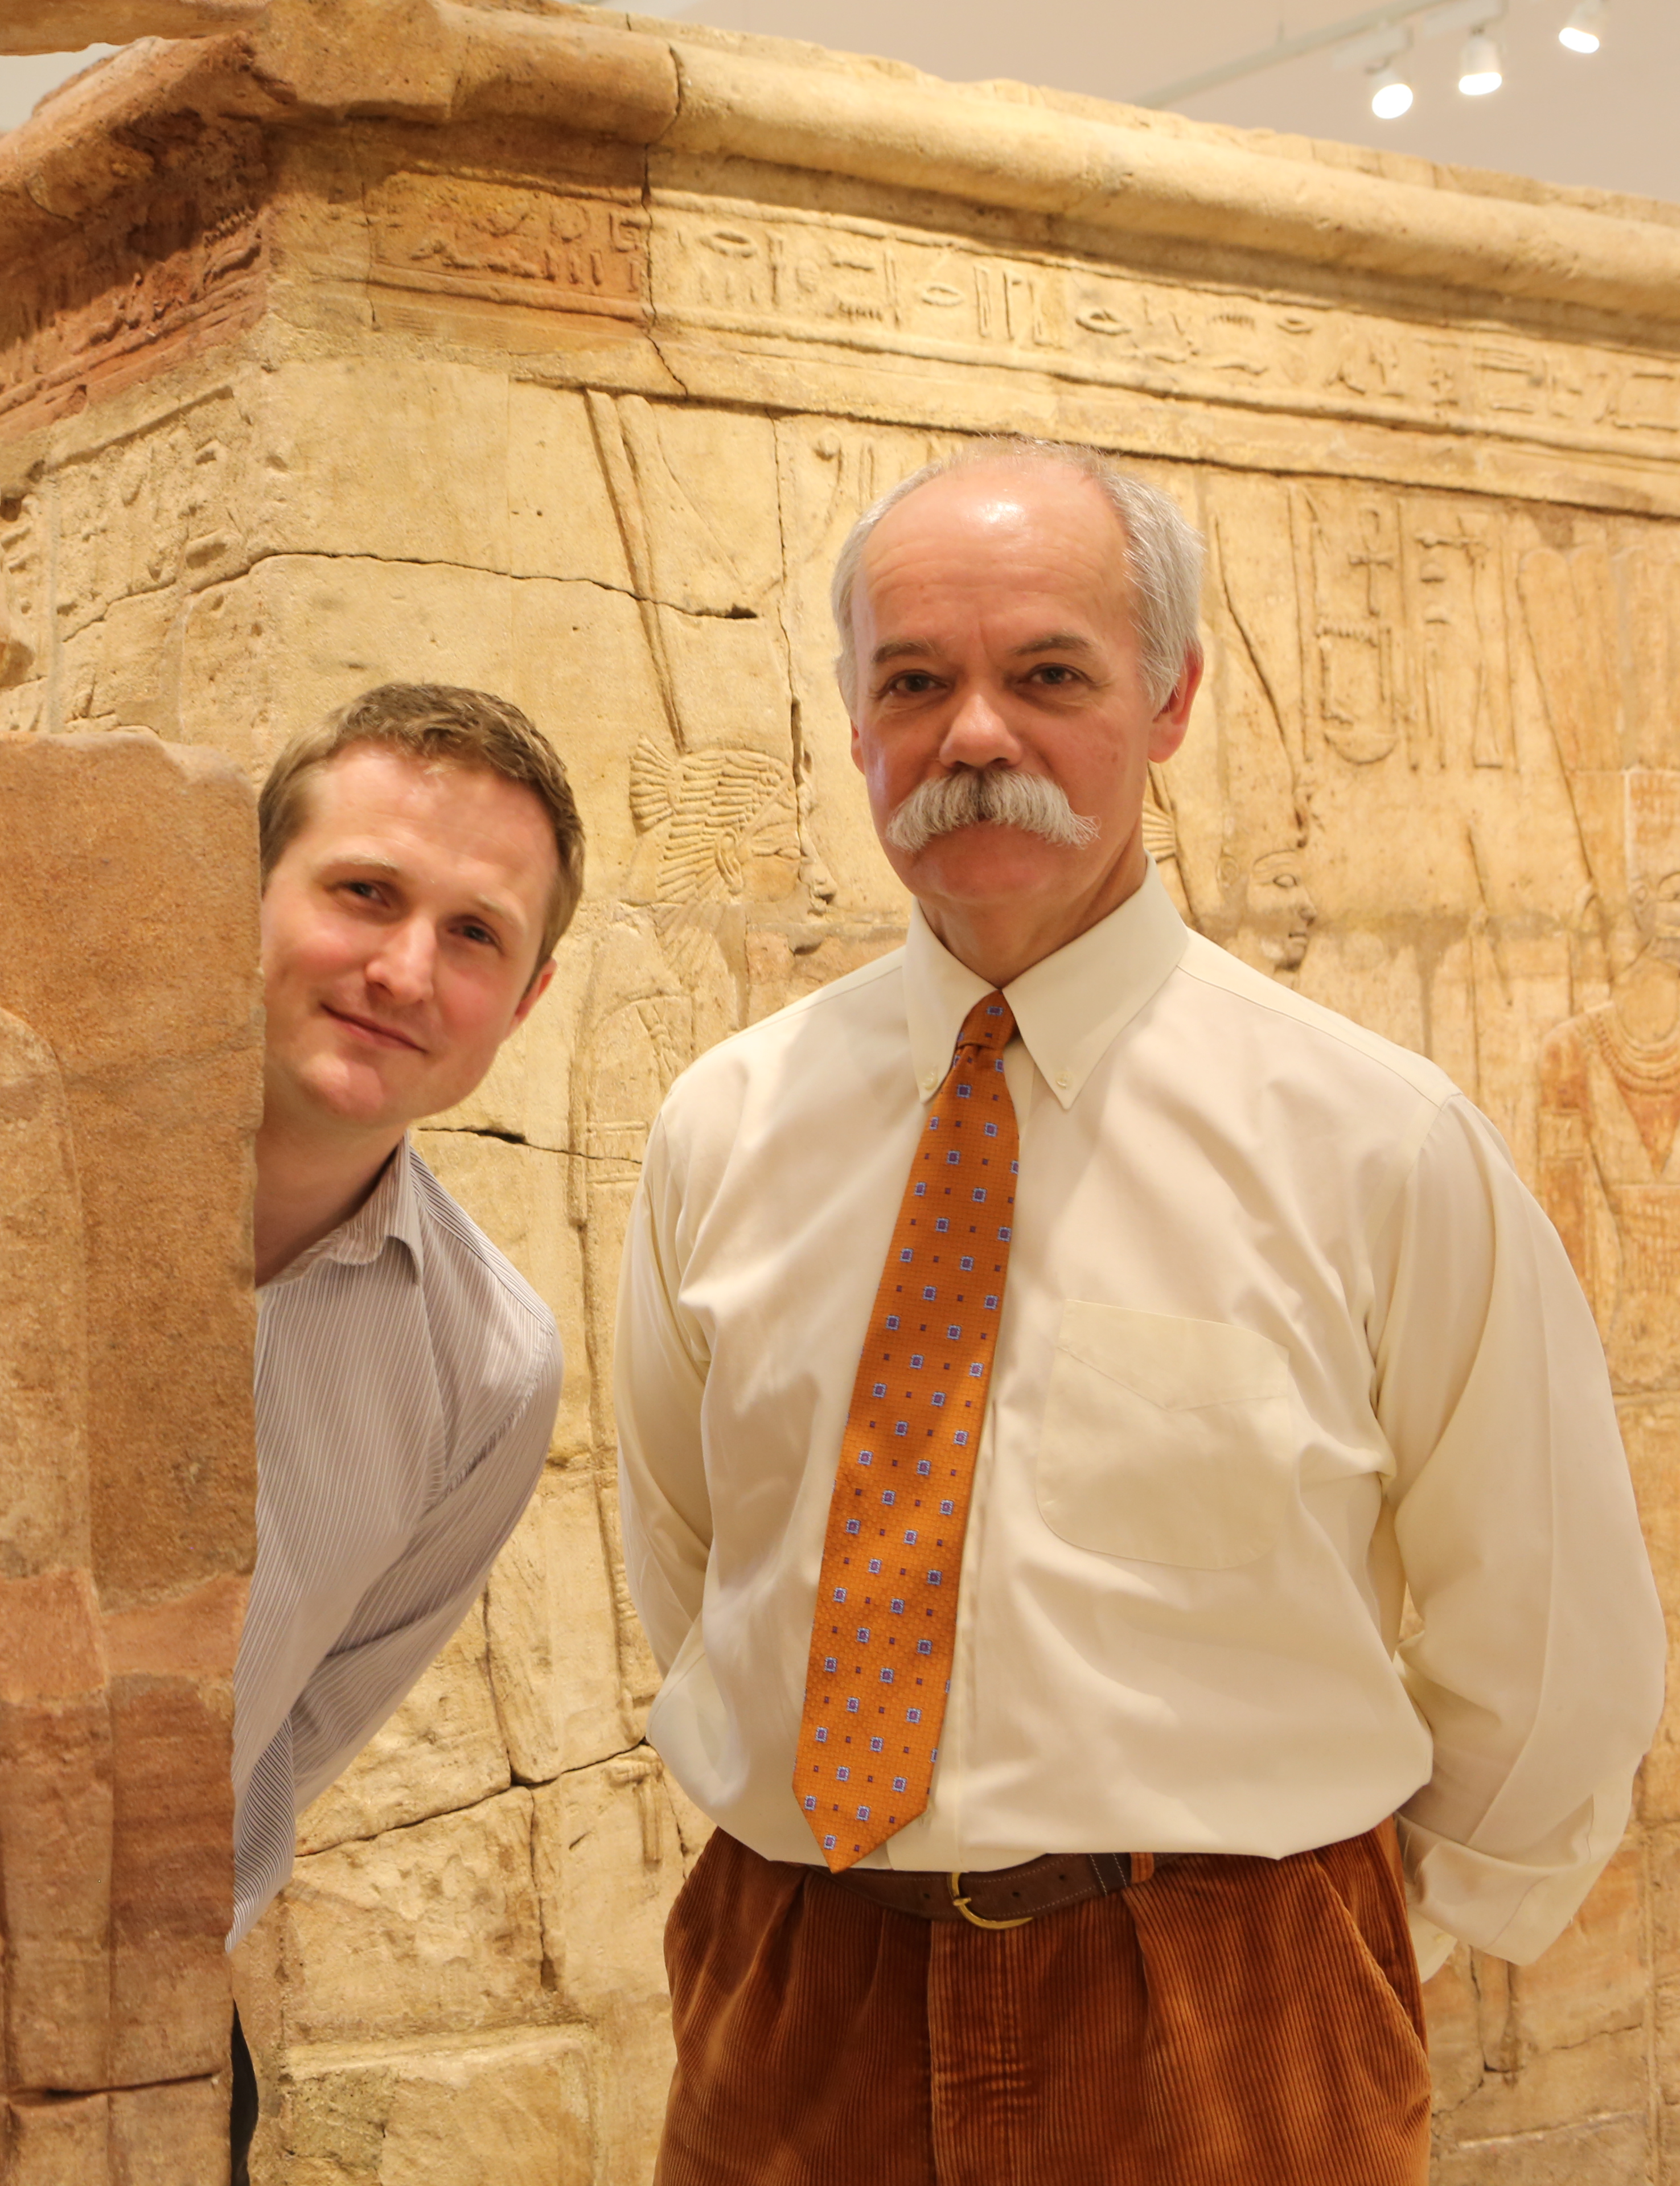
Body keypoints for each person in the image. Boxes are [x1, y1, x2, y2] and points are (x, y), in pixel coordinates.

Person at [616, 437, 1662, 2182]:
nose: (973, 737)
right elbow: (697, 1559)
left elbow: (1549, 1640)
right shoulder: (722, 1124)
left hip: (1228, 2012)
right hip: (800, 1994)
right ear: (854, 720)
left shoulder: (1379, 1145)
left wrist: (1344, 1955)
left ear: (1169, 700)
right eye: (914, 682)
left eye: (1047, 676)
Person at [231, 683, 580, 2168]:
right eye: (363, 893)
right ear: (242, 894)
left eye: (476, 934)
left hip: (133, 2036)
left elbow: (292, 1740)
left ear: (530, 998)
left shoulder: (489, 1371)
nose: (402, 968)